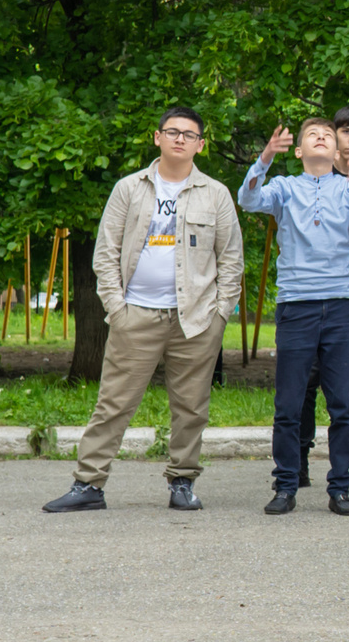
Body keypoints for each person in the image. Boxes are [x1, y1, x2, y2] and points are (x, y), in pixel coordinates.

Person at [48, 107, 245, 513]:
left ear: (200, 145)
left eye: (189, 135)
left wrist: (221, 312)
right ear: (157, 138)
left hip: (195, 320)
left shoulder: (216, 193)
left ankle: (183, 482)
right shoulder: (130, 188)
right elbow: (106, 254)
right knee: (114, 403)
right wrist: (117, 309)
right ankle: (88, 484)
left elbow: (231, 260)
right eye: (172, 132)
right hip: (136, 313)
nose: (179, 139)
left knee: (191, 406)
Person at [238, 116, 349, 516]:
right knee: (288, 403)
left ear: (337, 152)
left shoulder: (347, 187)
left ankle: (339, 487)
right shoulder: (285, 187)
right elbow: (249, 200)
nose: (321, 138)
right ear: (300, 151)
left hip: (340, 305)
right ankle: (286, 484)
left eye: (327, 135)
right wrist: (266, 158)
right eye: (312, 136)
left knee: (342, 403)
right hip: (296, 305)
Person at [293, 106, 349, 490]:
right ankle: (298, 459)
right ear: (334, 136)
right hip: (317, 290)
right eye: (347, 132)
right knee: (306, 379)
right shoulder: (313, 181)